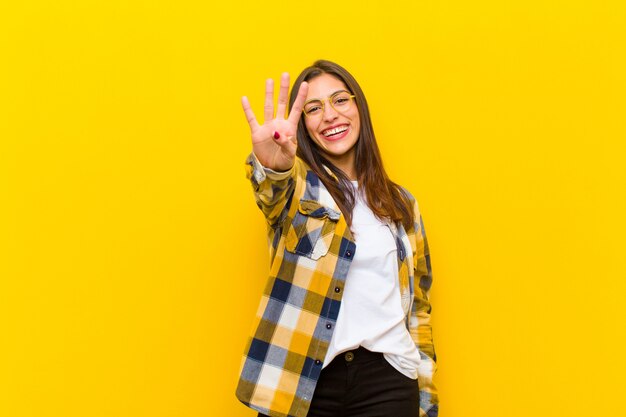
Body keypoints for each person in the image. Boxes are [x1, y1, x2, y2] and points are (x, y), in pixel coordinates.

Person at [235, 60, 438, 417]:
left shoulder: (402, 205)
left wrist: (426, 399)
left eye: (340, 100)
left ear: (359, 107)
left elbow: (417, 308)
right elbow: (271, 190)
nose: (329, 115)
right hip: (305, 383)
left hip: (389, 382)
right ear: (303, 125)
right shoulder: (297, 191)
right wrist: (272, 165)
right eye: (314, 109)